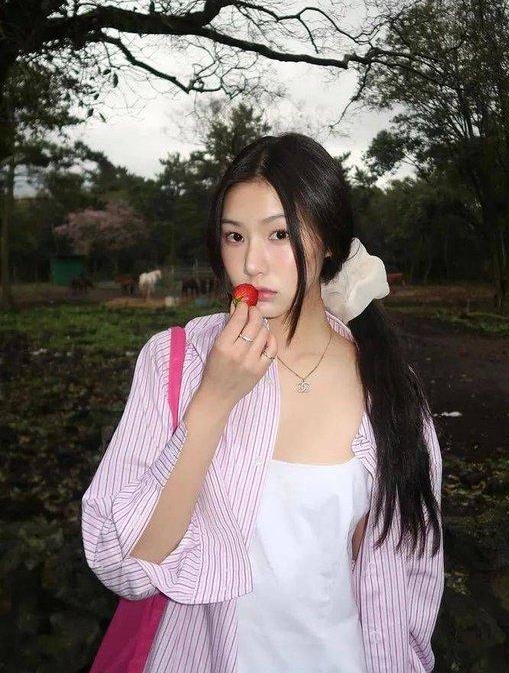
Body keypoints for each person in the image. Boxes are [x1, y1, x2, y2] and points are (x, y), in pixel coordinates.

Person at [81, 132, 444, 672]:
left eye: (279, 234)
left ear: (329, 241)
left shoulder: (389, 389)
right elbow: (123, 565)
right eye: (234, 236)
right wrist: (213, 401)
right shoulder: (174, 362)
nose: (252, 263)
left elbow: (407, 583)